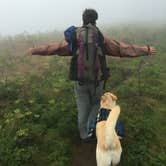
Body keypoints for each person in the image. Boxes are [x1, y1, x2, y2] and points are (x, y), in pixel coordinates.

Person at [27, 9, 155, 141]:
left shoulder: (75, 37)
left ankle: (84, 136)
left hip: (80, 82)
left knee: (82, 108)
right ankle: (92, 130)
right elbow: (122, 49)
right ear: (95, 20)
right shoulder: (101, 38)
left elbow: (54, 47)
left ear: (83, 20)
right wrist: (146, 50)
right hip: (97, 82)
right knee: (95, 105)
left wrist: (34, 50)